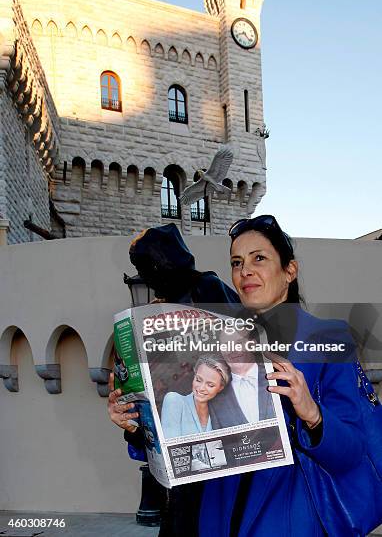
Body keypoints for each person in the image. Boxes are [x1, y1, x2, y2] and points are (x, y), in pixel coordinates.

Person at [199, 214, 363, 537]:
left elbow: (353, 453)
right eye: (236, 262)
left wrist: (313, 414)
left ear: (289, 271)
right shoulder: (217, 340)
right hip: (220, 518)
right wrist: (138, 427)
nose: (244, 271)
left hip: (291, 522)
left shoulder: (330, 338)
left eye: (258, 258)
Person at [107, 223, 239, 537]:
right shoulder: (158, 308)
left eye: (147, 266)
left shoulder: (206, 287)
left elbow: (239, 349)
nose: (147, 277)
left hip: (221, 455)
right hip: (181, 457)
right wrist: (132, 416)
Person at [161, 356, 231, 438]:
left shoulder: (221, 412)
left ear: (220, 388)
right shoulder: (174, 400)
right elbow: (171, 444)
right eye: (198, 380)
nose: (201, 388)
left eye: (210, 385)